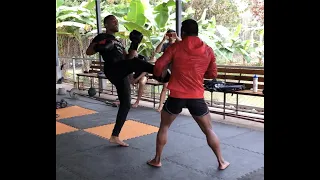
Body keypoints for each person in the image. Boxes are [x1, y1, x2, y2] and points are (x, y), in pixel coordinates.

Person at [147, 19, 230, 170]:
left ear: (183, 32)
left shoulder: (175, 47)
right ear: (197, 32)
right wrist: (197, 72)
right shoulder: (208, 49)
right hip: (196, 97)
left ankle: (157, 160)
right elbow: (212, 74)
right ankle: (221, 161)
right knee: (209, 130)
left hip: (176, 96)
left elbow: (159, 65)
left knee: (164, 127)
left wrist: (159, 76)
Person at [86, 15, 170, 147]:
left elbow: (128, 58)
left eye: (117, 21)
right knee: (138, 62)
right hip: (113, 68)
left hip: (122, 71)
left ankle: (115, 136)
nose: (116, 23)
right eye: (113, 21)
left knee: (126, 104)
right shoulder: (102, 37)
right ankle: (160, 74)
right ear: (106, 25)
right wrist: (101, 46)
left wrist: (135, 44)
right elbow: (88, 51)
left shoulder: (119, 42)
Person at [151, 29, 181, 112]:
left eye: (172, 35)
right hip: (167, 69)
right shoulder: (166, 45)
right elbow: (157, 50)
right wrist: (163, 40)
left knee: (175, 89)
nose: (171, 37)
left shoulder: (178, 44)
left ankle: (175, 106)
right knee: (165, 87)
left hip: (176, 69)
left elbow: (185, 45)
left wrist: (176, 37)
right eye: (169, 35)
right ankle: (161, 105)